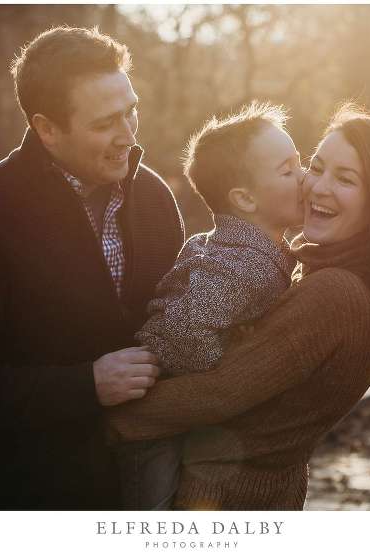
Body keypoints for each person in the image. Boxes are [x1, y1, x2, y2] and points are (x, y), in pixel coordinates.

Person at [108, 103, 370, 510]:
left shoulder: (337, 295)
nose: (316, 186)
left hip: (226, 500)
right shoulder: (325, 278)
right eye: (315, 167)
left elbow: (221, 392)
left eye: (346, 179)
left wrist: (101, 415)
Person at [0, 26, 185, 509]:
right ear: (47, 129)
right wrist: (86, 386)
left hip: (148, 489)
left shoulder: (155, 199)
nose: (127, 136)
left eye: (131, 112)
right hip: (30, 496)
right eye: (105, 123)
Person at [118, 101, 303, 509]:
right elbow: (183, 331)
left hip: (178, 419)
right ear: (245, 199)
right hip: (155, 429)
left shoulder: (236, 249)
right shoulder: (246, 266)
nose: (305, 177)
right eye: (288, 171)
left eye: (300, 162)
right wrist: (229, 366)